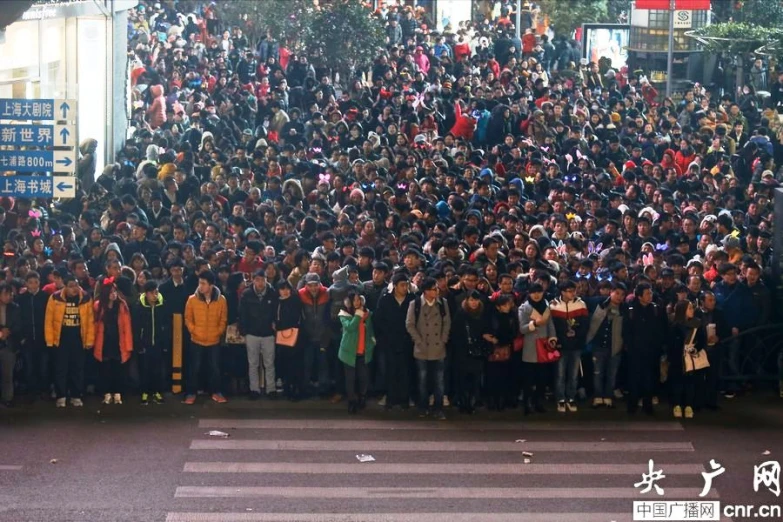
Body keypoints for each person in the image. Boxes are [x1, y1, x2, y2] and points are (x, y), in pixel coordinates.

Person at [45, 274, 95, 408]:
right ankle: (61, 396)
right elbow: (49, 321)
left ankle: (76, 395)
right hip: (61, 339)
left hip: (79, 339)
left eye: (77, 285)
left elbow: (90, 321)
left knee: (77, 368)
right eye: (71, 286)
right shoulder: (54, 298)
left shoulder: (85, 298)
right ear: (65, 287)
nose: (75, 289)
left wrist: (90, 340)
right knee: (61, 368)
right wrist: (50, 341)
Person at [406, 277, 451, 420]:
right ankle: (423, 407)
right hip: (422, 348)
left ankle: (438, 408)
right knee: (422, 380)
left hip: (438, 347)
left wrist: (443, 339)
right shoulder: (416, 304)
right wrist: (418, 340)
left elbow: (447, 323)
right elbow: (410, 324)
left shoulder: (443, 303)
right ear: (426, 291)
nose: (436, 291)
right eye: (434, 289)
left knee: (439, 380)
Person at [183, 270, 228, 405]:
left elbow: (223, 320)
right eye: (200, 283)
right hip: (196, 339)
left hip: (214, 340)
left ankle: (216, 392)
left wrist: (218, 332)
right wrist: (194, 330)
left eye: (203, 283)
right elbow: (188, 318)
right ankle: (191, 393)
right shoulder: (192, 299)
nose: (200, 286)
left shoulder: (221, 300)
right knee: (194, 368)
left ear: (211, 285)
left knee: (215, 368)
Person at [375, 272, 415, 410]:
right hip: (389, 341)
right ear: (395, 286)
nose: (405, 288)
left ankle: (404, 399)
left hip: (406, 341)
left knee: (405, 370)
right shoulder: (386, 300)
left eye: (407, 285)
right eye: (402, 285)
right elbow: (379, 320)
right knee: (390, 370)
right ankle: (391, 398)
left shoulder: (412, 299)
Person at [624, 282, 664, 415]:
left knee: (650, 378)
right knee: (633, 378)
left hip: (652, 351)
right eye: (647, 293)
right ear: (639, 296)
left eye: (651, 293)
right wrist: (630, 347)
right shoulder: (631, 310)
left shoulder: (656, 309)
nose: (650, 295)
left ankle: (648, 405)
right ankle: (632, 404)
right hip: (635, 351)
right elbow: (626, 331)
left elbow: (661, 329)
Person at [518, 282, 557, 415]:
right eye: (534, 292)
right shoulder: (524, 308)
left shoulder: (547, 306)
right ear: (529, 293)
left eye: (539, 292)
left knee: (542, 378)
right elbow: (522, 329)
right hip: (530, 347)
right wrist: (534, 323)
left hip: (544, 347)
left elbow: (550, 325)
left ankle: (538, 402)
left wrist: (552, 338)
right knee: (528, 379)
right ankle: (527, 404)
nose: (536, 295)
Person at [238, 268, 278, 399]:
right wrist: (244, 331)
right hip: (252, 333)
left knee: (269, 363)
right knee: (253, 363)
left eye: (263, 280)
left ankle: (270, 389)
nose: (261, 283)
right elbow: (242, 314)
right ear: (253, 280)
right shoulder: (247, 294)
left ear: (266, 280)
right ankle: (254, 389)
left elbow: (276, 312)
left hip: (268, 333)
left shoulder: (272, 293)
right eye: (258, 280)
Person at [550, 280, 589, 413]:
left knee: (573, 374)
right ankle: (560, 398)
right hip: (561, 345)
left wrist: (577, 336)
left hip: (576, 345)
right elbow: (552, 326)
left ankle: (571, 397)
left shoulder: (581, 304)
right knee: (560, 374)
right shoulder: (553, 305)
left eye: (574, 290)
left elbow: (585, 325)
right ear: (562, 292)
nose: (573, 293)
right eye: (570, 291)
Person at [93, 278, 133, 405]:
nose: (114, 294)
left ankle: (118, 393)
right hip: (103, 342)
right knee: (105, 369)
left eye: (115, 291)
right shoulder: (98, 306)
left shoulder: (122, 306)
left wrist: (128, 345)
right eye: (111, 292)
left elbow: (127, 326)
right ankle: (106, 393)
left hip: (118, 341)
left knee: (118, 368)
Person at [587, 282, 626, 408]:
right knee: (598, 372)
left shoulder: (624, 310)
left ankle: (608, 396)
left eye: (622, 294)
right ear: (611, 292)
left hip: (615, 346)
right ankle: (598, 396)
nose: (619, 297)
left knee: (612, 373)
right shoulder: (599, 303)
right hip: (598, 345)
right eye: (617, 293)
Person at [133, 280, 170, 405]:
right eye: (153, 293)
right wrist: (138, 344)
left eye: (157, 292)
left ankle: (157, 392)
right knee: (144, 369)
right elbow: (136, 327)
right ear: (147, 293)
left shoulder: (162, 305)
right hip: (145, 343)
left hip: (158, 343)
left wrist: (165, 343)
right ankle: (144, 392)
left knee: (158, 369)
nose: (155, 295)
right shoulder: (139, 307)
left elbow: (166, 326)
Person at [338, 291, 375, 413]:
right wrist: (358, 315)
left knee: (363, 377)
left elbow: (370, 330)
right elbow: (350, 327)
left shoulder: (368, 314)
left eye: (359, 299)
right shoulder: (344, 314)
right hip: (349, 352)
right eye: (354, 300)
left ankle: (362, 397)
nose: (357, 302)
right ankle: (351, 401)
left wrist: (372, 341)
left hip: (364, 351)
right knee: (350, 379)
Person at [451, 290, 488, 414]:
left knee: (475, 379)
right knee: (462, 379)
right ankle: (463, 402)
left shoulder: (482, 313)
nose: (474, 303)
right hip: (462, 352)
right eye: (471, 300)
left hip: (477, 351)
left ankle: (472, 402)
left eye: (476, 300)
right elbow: (455, 334)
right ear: (466, 300)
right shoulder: (461, 314)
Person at [668, 300, 706, 419]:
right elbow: (670, 343)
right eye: (689, 308)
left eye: (692, 308)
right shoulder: (675, 326)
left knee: (691, 382)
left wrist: (695, 349)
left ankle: (689, 405)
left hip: (692, 357)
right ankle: (677, 405)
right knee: (678, 381)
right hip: (678, 358)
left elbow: (702, 340)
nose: (692, 311)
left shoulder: (697, 324)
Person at [17, 271, 51, 399]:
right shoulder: (21, 299)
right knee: (29, 367)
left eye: (36, 282)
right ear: (26, 283)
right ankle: (32, 391)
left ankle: (44, 390)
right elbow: (19, 319)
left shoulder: (45, 297)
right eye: (30, 282)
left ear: (39, 282)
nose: (33, 285)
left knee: (43, 367)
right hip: (28, 339)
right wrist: (22, 337)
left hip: (43, 339)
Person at [297, 273, 331, 396]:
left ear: (319, 284)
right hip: (307, 336)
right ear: (306, 285)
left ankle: (323, 389)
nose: (313, 288)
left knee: (323, 364)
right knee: (307, 363)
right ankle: (306, 388)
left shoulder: (327, 293)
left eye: (315, 285)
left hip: (323, 336)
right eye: (310, 285)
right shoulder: (300, 294)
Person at [485, 294, 519, 411]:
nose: (507, 307)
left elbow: (514, 333)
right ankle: (492, 400)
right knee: (493, 376)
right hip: (493, 349)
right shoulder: (492, 317)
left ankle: (503, 401)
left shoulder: (512, 316)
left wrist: (498, 340)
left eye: (508, 304)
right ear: (498, 307)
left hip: (507, 348)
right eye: (504, 305)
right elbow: (488, 330)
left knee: (505, 375)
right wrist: (492, 339)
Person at [275, 280, 303, 400]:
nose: (285, 291)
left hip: (294, 336)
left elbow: (295, 318)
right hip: (281, 336)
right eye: (282, 289)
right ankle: (287, 388)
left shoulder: (295, 301)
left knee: (294, 364)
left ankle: (295, 389)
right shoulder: (277, 302)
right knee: (284, 363)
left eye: (287, 289)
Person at [0, 283, 22, 407]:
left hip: (9, 345)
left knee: (7, 374)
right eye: (6, 294)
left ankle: (7, 398)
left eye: (10, 294)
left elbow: (18, 325)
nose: (9, 296)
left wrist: (8, 332)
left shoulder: (15, 308)